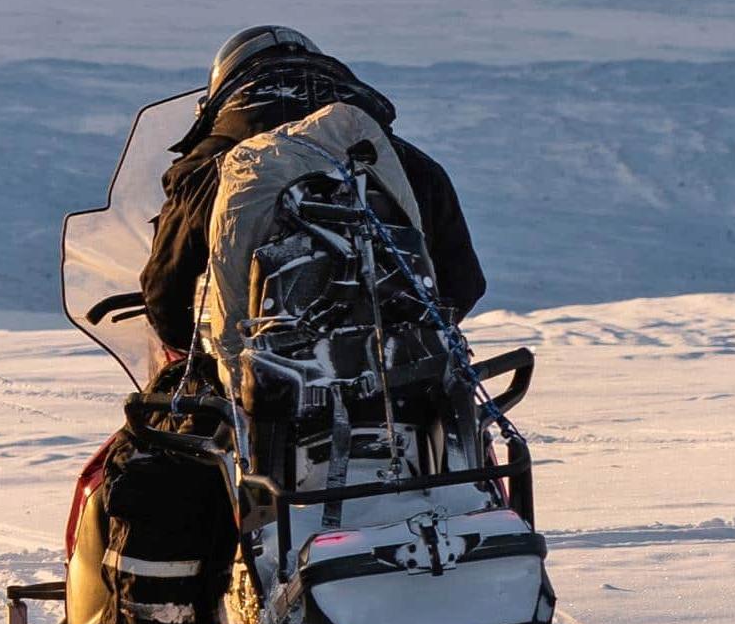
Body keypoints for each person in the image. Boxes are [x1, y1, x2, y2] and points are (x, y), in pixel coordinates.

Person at [135, 25, 485, 368]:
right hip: (399, 376)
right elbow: (463, 282)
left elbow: (165, 289)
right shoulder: (403, 162)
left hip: (267, 384)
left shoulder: (212, 167)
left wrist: (193, 353)